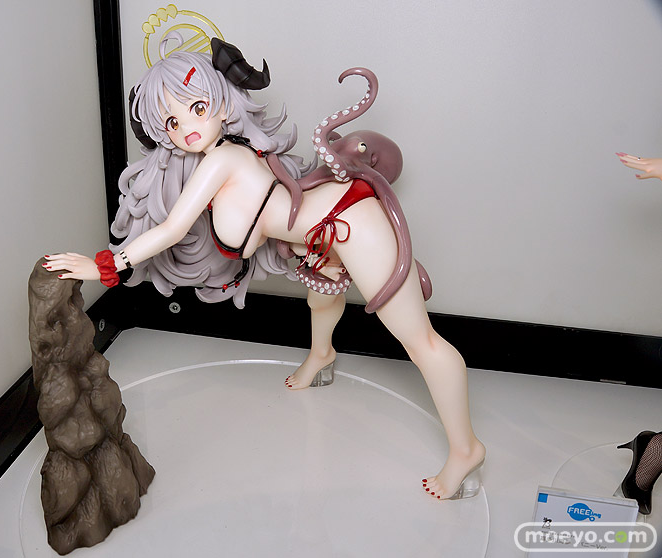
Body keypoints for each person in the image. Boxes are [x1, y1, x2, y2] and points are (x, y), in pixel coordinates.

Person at [45, 36, 484, 500]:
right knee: (322, 296)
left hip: (349, 222)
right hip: (326, 230)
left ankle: (466, 450)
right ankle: (322, 356)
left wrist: (105, 265)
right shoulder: (232, 152)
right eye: (172, 121)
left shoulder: (223, 158)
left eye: (197, 107)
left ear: (220, 102)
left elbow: (173, 229)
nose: (187, 127)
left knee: (421, 342)